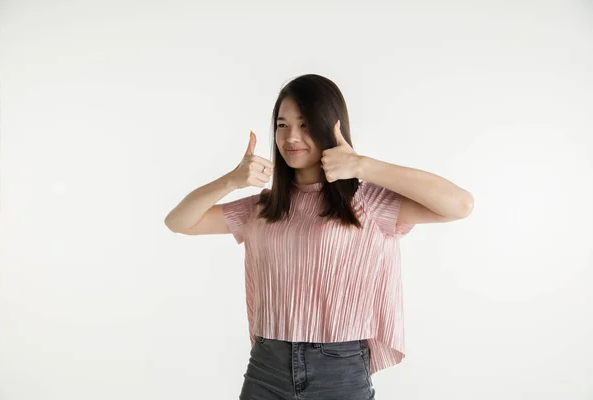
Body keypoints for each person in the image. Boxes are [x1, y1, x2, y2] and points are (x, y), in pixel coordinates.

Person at [164, 74, 474, 400]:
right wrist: (231, 181)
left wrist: (362, 166)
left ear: (328, 126)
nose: (291, 137)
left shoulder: (366, 203)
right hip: (266, 367)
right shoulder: (264, 207)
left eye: (305, 124)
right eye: (282, 125)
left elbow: (460, 204)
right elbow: (179, 221)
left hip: (339, 369)